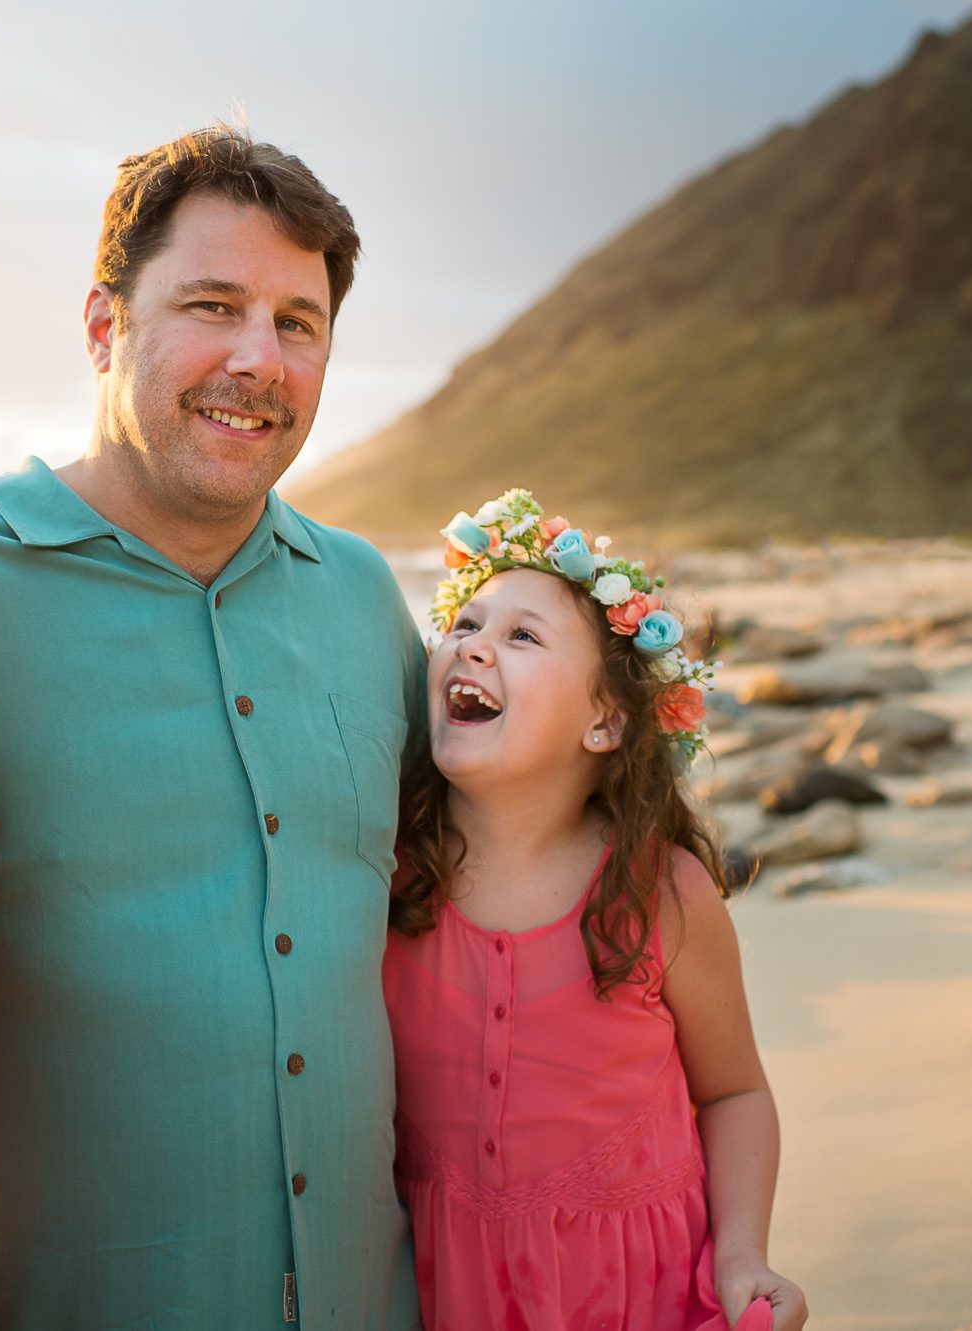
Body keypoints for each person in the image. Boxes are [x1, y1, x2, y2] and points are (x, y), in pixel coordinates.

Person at [0, 126, 421, 1327]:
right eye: (212, 305)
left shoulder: (359, 592)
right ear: (101, 326)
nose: (258, 358)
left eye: (297, 323)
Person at [385, 489, 808, 1331]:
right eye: (464, 624)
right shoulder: (390, 876)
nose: (473, 648)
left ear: (606, 721)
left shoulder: (661, 892)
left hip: (630, 1293)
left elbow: (734, 1092)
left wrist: (742, 1254)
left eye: (522, 636)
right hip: (438, 1290)